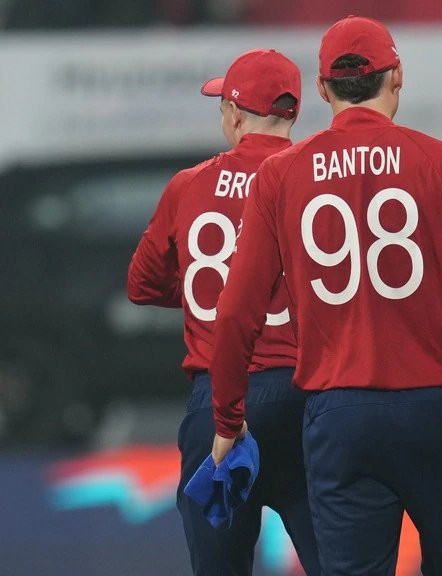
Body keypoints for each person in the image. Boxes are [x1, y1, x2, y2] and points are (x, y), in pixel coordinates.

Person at [207, 16, 442, 575]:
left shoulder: (279, 175)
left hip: (339, 415)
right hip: (438, 408)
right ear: (398, 77)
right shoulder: (441, 161)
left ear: (323, 89)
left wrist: (227, 420)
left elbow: (235, 315)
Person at [126, 49, 320, 576]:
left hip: (218, 402)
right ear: (294, 111)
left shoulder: (190, 183)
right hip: (309, 398)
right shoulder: (316, 179)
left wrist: (206, 296)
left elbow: (142, 285)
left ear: (234, 113)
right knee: (343, 566)